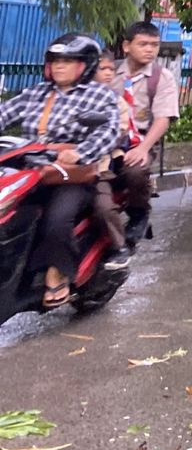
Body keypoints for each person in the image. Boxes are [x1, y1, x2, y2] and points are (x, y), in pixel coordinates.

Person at [0, 34, 119, 307]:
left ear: (84, 66)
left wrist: (79, 152)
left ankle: (58, 273)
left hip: (69, 176)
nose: (59, 66)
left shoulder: (98, 95)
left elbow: (109, 130)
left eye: (68, 61)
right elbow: (4, 114)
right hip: (30, 171)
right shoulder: (36, 93)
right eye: (55, 60)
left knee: (56, 219)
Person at [109, 22, 179, 229]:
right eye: (143, 44)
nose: (150, 50)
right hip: (107, 138)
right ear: (126, 46)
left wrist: (143, 148)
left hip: (139, 140)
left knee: (135, 171)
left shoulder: (161, 77)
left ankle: (139, 214)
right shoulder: (108, 72)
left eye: (154, 45)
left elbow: (163, 118)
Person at [92, 52, 141, 269]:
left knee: (102, 206)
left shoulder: (116, 102)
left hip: (96, 167)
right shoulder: (64, 96)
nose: (108, 74)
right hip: (55, 165)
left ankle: (119, 246)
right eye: (103, 68)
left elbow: (118, 132)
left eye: (111, 69)